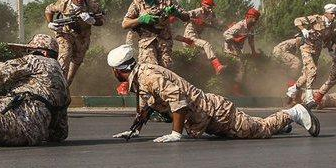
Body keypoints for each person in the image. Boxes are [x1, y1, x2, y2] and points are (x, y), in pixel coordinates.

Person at [107, 44, 319, 142]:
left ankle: (294, 113)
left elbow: (178, 101)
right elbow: (147, 106)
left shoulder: (148, 76)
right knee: (252, 125)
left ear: (118, 70)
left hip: (216, 113)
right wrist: (134, 130)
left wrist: (175, 134)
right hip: (207, 117)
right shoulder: (141, 76)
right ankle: (282, 125)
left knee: (261, 130)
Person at [121, 0, 190, 68]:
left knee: (165, 72)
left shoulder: (167, 1)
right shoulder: (137, 3)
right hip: (146, 43)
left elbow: (186, 17)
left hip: (164, 44)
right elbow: (125, 24)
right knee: (149, 71)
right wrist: (141, 19)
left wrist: (176, 13)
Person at [45, 0, 105, 85]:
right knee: (65, 56)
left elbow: (102, 20)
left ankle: (66, 86)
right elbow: (48, 10)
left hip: (82, 38)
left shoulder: (92, 5)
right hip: (65, 34)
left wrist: (93, 21)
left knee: (74, 67)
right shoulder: (63, 4)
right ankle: (58, 85)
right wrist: (50, 23)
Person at [286, 4, 336, 104]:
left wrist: (330, 51)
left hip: (317, 50)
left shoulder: (332, 25)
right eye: (332, 14)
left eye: (335, 14)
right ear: (326, 13)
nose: (334, 16)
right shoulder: (316, 19)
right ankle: (309, 98)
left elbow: (327, 39)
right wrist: (303, 29)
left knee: (306, 75)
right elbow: (297, 20)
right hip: (306, 48)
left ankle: (292, 90)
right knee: (313, 70)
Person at [177, 0, 225, 74]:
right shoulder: (197, 11)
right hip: (190, 35)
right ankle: (217, 66)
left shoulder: (211, 14)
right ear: (203, 5)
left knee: (203, 55)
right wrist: (194, 20)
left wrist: (223, 27)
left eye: (212, 7)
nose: (210, 9)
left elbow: (215, 23)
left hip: (197, 36)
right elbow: (184, 16)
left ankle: (203, 73)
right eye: (209, 7)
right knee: (206, 44)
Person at [223, 8, 261, 94]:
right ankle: (235, 90)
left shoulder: (251, 28)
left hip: (238, 50)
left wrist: (253, 51)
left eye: (257, 19)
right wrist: (235, 39)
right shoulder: (240, 25)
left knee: (241, 67)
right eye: (255, 19)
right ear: (249, 17)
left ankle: (236, 89)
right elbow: (225, 34)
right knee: (239, 68)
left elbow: (251, 40)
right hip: (230, 48)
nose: (256, 21)